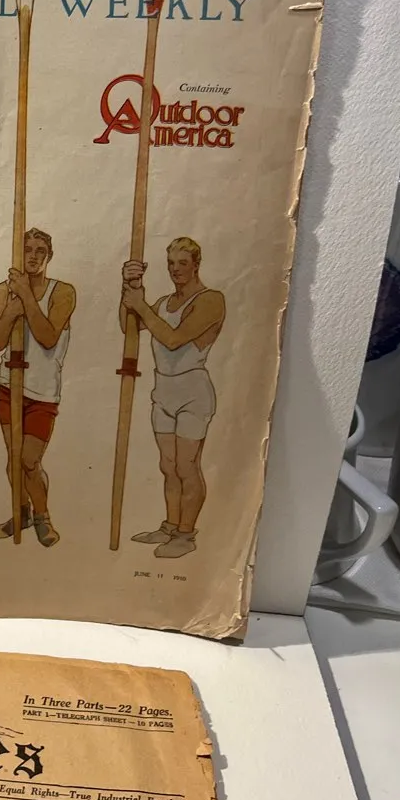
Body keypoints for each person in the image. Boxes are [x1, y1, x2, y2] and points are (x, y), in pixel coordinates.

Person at [120, 236, 226, 559]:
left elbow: (173, 339)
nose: (175, 269)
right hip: (163, 390)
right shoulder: (165, 302)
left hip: (192, 392)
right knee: (168, 466)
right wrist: (129, 289)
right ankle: (170, 525)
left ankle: (186, 534)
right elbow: (128, 326)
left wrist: (140, 304)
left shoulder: (210, 300)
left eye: (182, 263)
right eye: (170, 263)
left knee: (186, 466)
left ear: (196, 265)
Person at [0, 228, 75, 547]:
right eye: (27, 250)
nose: (33, 256)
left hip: (42, 391)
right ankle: (20, 511)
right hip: (8, 385)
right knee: (13, 458)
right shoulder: (5, 290)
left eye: (40, 251)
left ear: (49, 256)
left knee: (29, 460)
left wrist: (26, 297)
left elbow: (48, 337)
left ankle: (42, 516)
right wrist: (12, 308)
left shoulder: (62, 292)